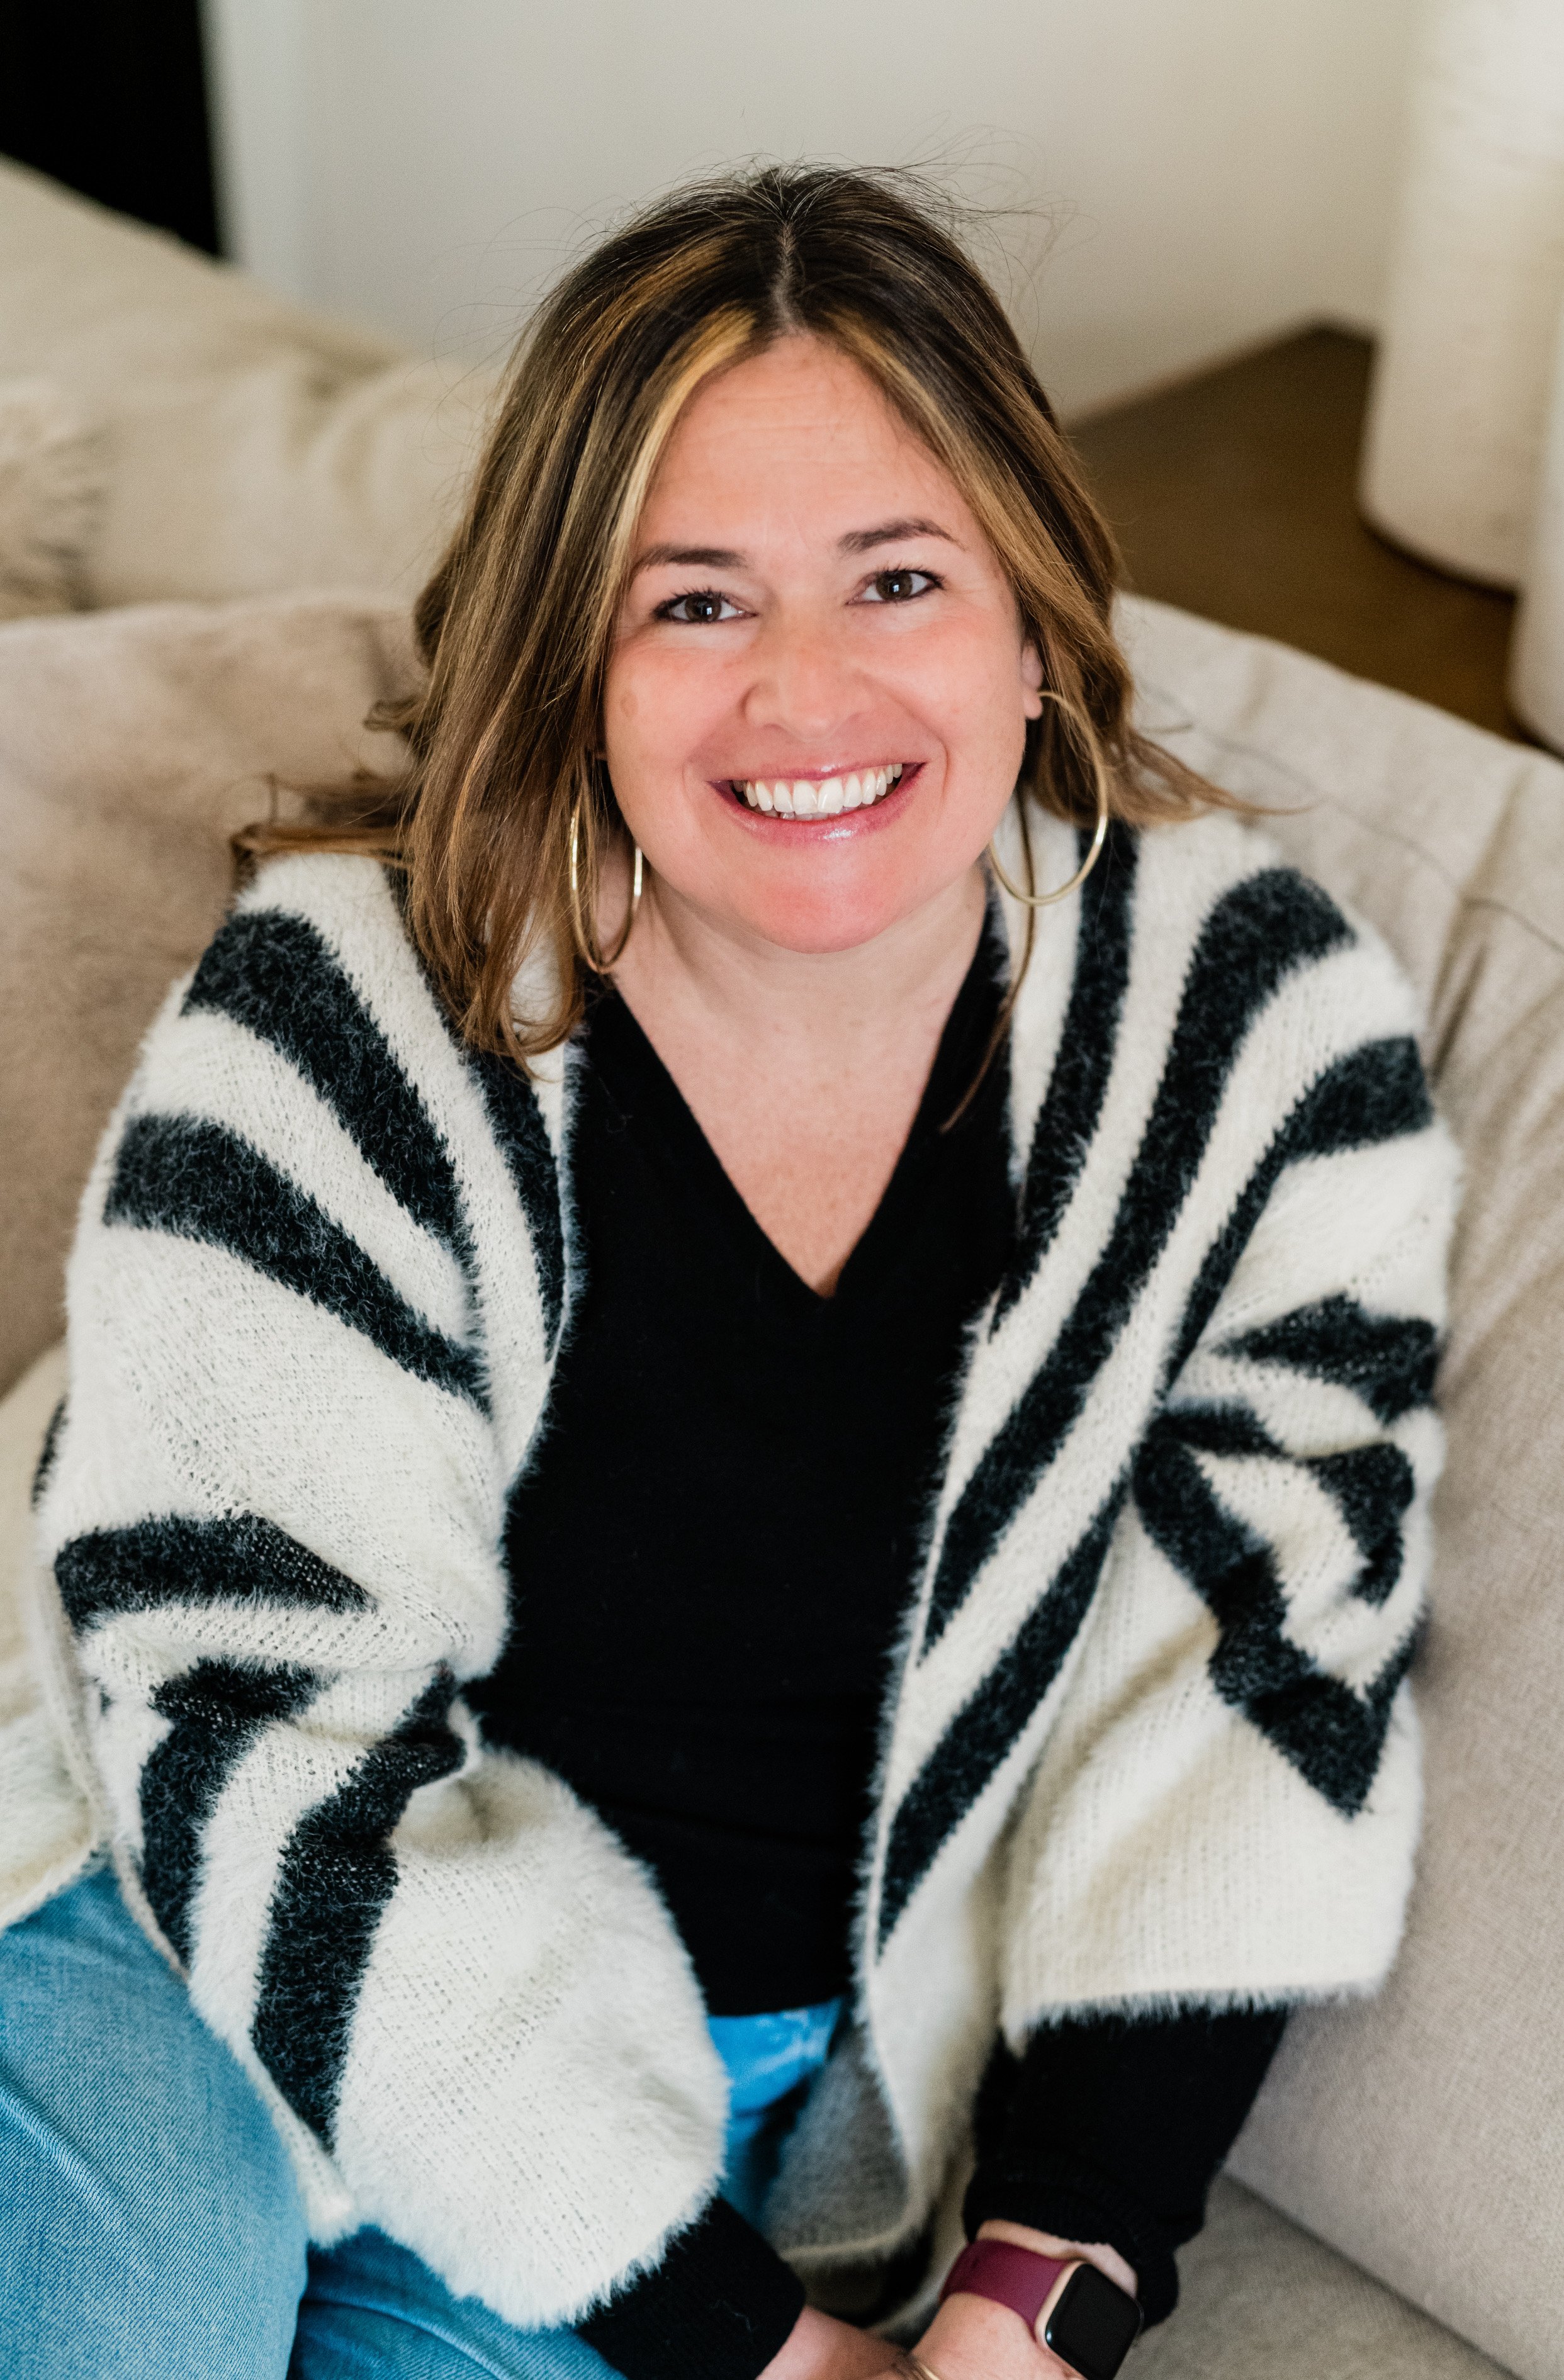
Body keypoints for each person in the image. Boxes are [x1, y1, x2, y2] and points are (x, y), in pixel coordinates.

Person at [1, 167, 1454, 2380]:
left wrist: (1041, 2284)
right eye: (694, 605)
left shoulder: (1251, 1032)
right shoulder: (353, 1010)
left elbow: (1266, 1668)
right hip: (163, 1896)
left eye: (896, 578)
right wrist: (755, 2353)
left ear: (1037, 622)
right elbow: (257, 1733)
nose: (805, 693)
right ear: (571, 657)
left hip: (699, 2081)